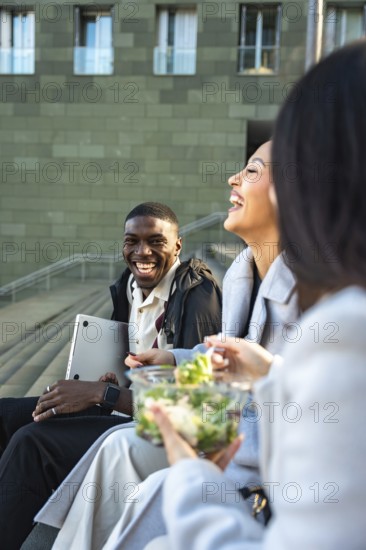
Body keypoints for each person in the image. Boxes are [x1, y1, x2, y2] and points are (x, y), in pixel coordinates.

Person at [133, 42, 366, 549]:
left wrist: (193, 475)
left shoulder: (347, 326)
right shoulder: (246, 274)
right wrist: (266, 375)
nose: (237, 180)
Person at [34, 141, 300, 549]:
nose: (233, 178)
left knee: (113, 445)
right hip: (214, 428)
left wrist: (169, 408)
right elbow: (229, 356)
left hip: (249, 459)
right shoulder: (239, 275)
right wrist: (175, 358)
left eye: (252, 171)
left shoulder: (311, 292)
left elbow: (293, 393)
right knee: (109, 444)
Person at [0, 202, 222, 549]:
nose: (141, 252)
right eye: (131, 241)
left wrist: (102, 396)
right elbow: (130, 364)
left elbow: (193, 413)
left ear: (178, 246)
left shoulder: (199, 295)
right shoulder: (128, 286)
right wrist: (110, 384)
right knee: (7, 413)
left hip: (156, 431)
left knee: (33, 443)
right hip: (125, 405)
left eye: (156, 241)